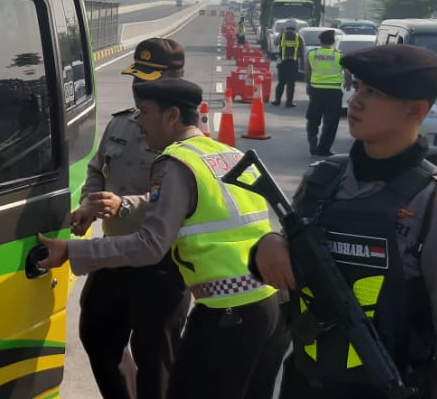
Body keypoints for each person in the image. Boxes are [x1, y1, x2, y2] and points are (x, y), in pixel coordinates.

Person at [250, 44, 437, 399]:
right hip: (305, 383)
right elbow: (288, 271)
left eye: (373, 92)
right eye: (357, 87)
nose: (355, 101)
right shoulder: (321, 181)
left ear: (415, 110)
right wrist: (269, 245)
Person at [40, 78, 289, 399]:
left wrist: (71, 251)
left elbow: (150, 245)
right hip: (269, 308)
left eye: (144, 113)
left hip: (229, 312)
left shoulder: (176, 163)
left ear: (171, 116)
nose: (139, 124)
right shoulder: (228, 154)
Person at [70, 38, 191, 399]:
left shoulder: (182, 134)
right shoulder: (122, 124)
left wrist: (123, 204)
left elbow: (173, 199)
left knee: (155, 358)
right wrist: (90, 203)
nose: (138, 87)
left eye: (148, 80)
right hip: (114, 254)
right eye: (136, 78)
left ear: (173, 78)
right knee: (97, 333)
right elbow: (97, 168)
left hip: (160, 262)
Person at [305, 29, 344, 157]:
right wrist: (349, 83)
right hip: (333, 92)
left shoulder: (312, 54)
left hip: (316, 91)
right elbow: (348, 73)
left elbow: (307, 72)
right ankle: (324, 149)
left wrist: (308, 86)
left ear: (320, 41)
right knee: (331, 122)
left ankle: (312, 140)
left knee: (313, 119)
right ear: (333, 42)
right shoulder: (339, 55)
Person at [272, 19, 304, 108]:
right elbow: (302, 52)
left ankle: (277, 100)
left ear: (286, 27)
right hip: (293, 63)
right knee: (291, 83)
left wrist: (280, 33)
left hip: (282, 63)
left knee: (281, 82)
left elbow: (275, 43)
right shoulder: (299, 37)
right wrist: (302, 66)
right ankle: (289, 102)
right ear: (295, 27)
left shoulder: (282, 36)